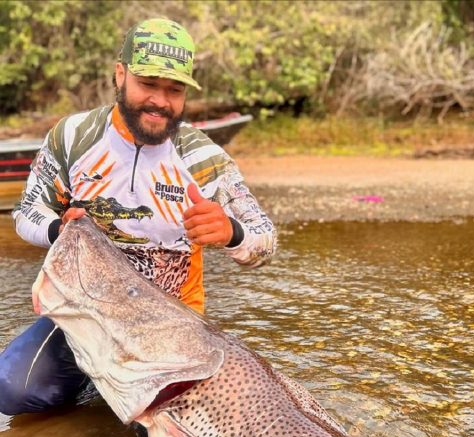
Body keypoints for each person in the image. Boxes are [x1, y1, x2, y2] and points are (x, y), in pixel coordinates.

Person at [0, 17, 277, 416]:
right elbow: (26, 211)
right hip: (85, 311)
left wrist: (231, 233)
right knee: (13, 389)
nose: (160, 101)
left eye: (174, 90)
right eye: (148, 84)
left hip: (170, 326)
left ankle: (109, 389)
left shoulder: (204, 160)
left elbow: (264, 240)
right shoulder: (73, 138)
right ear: (120, 74)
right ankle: (93, 381)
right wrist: (60, 228)